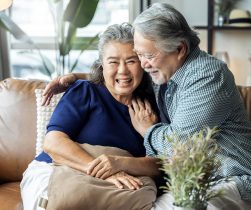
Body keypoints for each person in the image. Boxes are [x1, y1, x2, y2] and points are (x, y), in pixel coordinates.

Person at [43, 3, 251, 210]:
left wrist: (148, 130)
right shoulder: (163, 72)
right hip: (193, 182)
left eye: (147, 56)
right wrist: (76, 77)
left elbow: (179, 145)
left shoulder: (208, 76)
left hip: (235, 181)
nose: (143, 64)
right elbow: (121, 73)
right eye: (140, 55)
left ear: (179, 49)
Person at [20, 23, 162, 210]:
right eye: (113, 62)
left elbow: (160, 166)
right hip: (60, 170)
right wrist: (104, 171)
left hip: (120, 183)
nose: (123, 71)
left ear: (143, 63)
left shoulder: (151, 107)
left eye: (131, 61)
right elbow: (53, 142)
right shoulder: (86, 91)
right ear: (101, 65)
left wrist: (148, 133)